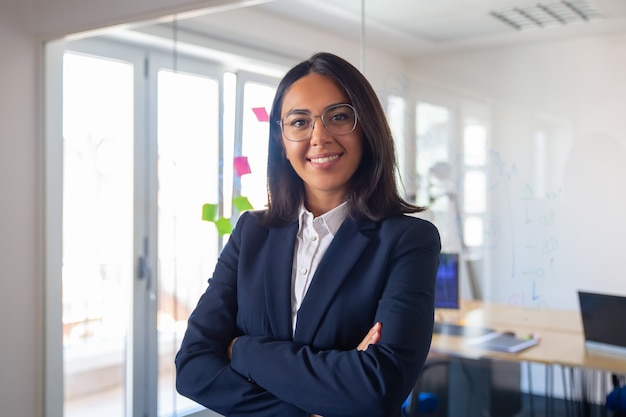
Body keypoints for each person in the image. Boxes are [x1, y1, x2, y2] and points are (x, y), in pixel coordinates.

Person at [175, 52, 441, 417]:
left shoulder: (408, 240)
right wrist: (318, 403)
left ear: (367, 129)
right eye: (300, 122)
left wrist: (243, 350)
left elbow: (380, 387)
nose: (320, 136)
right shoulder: (251, 232)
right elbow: (192, 368)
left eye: (339, 116)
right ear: (281, 141)